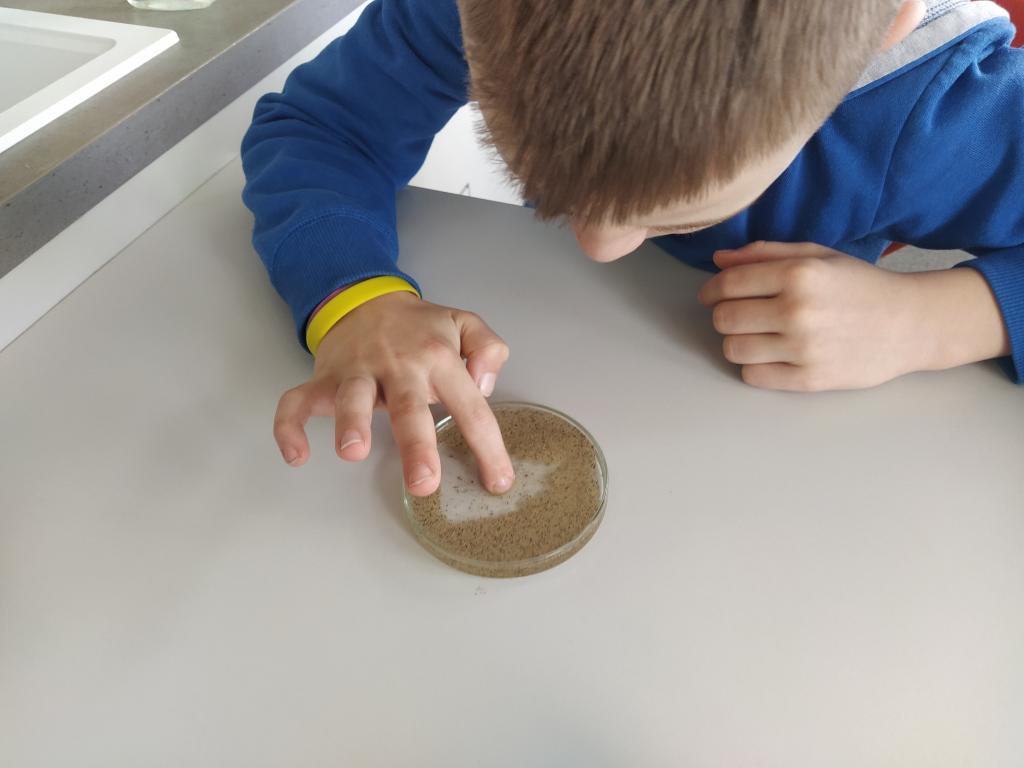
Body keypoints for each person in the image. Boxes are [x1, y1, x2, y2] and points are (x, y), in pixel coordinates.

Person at [241, 0, 1023, 497]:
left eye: (675, 216)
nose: (601, 247)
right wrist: (358, 295)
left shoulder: (947, 109)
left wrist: (937, 321)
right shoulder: (486, 11)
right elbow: (321, 129)